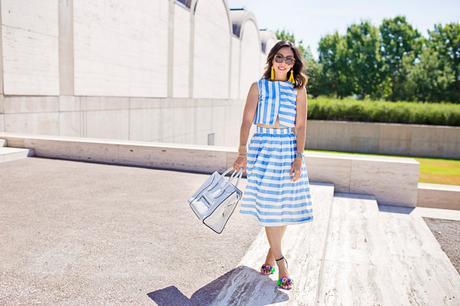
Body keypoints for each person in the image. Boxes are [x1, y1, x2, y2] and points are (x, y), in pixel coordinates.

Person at [233, 40, 314, 290]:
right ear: (272, 59)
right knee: (269, 206)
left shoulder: (298, 89)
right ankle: (281, 264)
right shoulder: (258, 87)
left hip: (288, 149)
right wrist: (242, 151)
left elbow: (300, 126)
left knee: (284, 205)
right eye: (280, 57)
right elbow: (247, 121)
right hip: (263, 149)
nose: (283, 63)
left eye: (289, 59)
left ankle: (270, 255)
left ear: (294, 64)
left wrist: (299, 156)